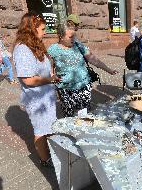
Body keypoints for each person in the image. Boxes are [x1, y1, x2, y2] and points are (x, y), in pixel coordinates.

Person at [13, 13, 61, 167]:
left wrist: (51, 74)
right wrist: (50, 79)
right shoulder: (22, 49)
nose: (45, 32)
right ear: (32, 29)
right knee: (41, 131)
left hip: (45, 98)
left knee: (49, 128)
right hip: (36, 100)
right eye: (42, 29)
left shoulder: (34, 44)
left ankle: (51, 155)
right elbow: (28, 79)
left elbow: (42, 68)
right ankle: (45, 160)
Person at [48, 21, 118, 117]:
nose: (73, 39)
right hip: (66, 89)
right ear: (61, 36)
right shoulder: (53, 50)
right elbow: (49, 69)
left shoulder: (78, 45)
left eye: (74, 36)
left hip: (83, 86)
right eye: (70, 37)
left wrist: (108, 69)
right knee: (70, 116)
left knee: (84, 115)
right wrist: (52, 77)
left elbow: (93, 59)